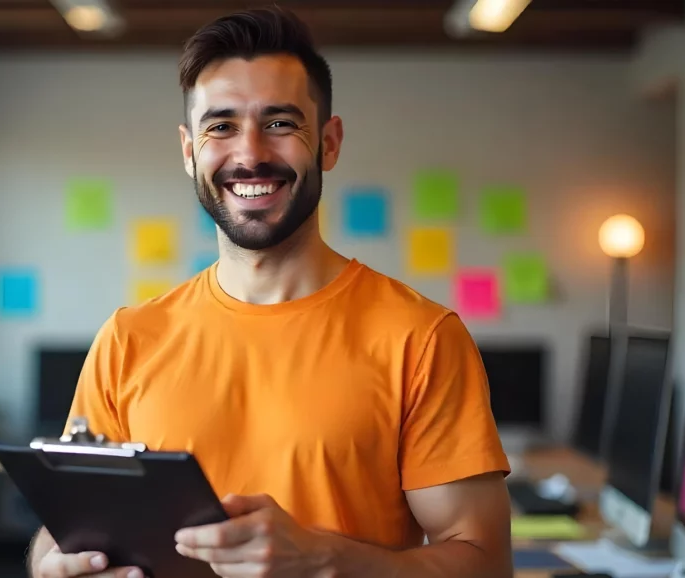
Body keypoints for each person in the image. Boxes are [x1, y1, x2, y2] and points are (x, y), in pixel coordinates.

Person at [29, 6, 512, 578]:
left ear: (328, 144)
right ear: (189, 151)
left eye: (280, 123)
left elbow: (485, 562)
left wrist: (325, 558)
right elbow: (61, 532)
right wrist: (51, 567)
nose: (250, 152)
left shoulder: (421, 337)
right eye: (221, 126)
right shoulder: (128, 338)